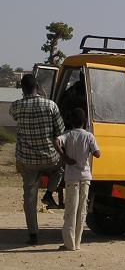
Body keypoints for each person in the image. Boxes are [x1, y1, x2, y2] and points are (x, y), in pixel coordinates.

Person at [9, 74, 65, 245]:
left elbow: (15, 117)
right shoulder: (51, 105)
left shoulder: (16, 106)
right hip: (50, 157)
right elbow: (60, 130)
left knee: (29, 197)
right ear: (38, 87)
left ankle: (33, 234)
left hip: (27, 160)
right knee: (61, 168)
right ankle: (49, 193)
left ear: (22, 89)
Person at [54, 108, 101, 251]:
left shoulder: (67, 135)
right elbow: (98, 154)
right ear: (85, 121)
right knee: (82, 210)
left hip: (71, 178)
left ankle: (69, 243)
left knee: (70, 210)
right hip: (85, 177)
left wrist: (65, 158)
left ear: (70, 121)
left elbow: (56, 141)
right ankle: (77, 243)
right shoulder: (89, 136)